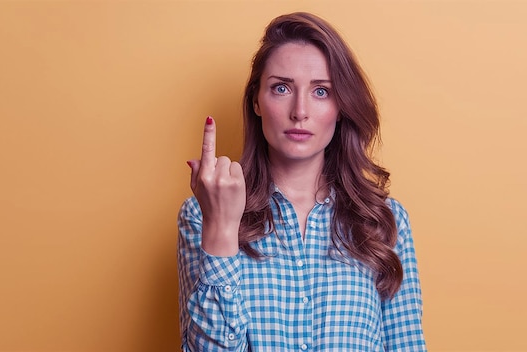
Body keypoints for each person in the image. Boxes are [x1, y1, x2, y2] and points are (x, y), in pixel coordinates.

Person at [178, 12, 426, 351]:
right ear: (256, 101)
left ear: (341, 107)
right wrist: (221, 227)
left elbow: (407, 344)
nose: (300, 111)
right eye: (281, 88)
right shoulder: (201, 214)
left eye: (321, 91)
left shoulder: (384, 222)